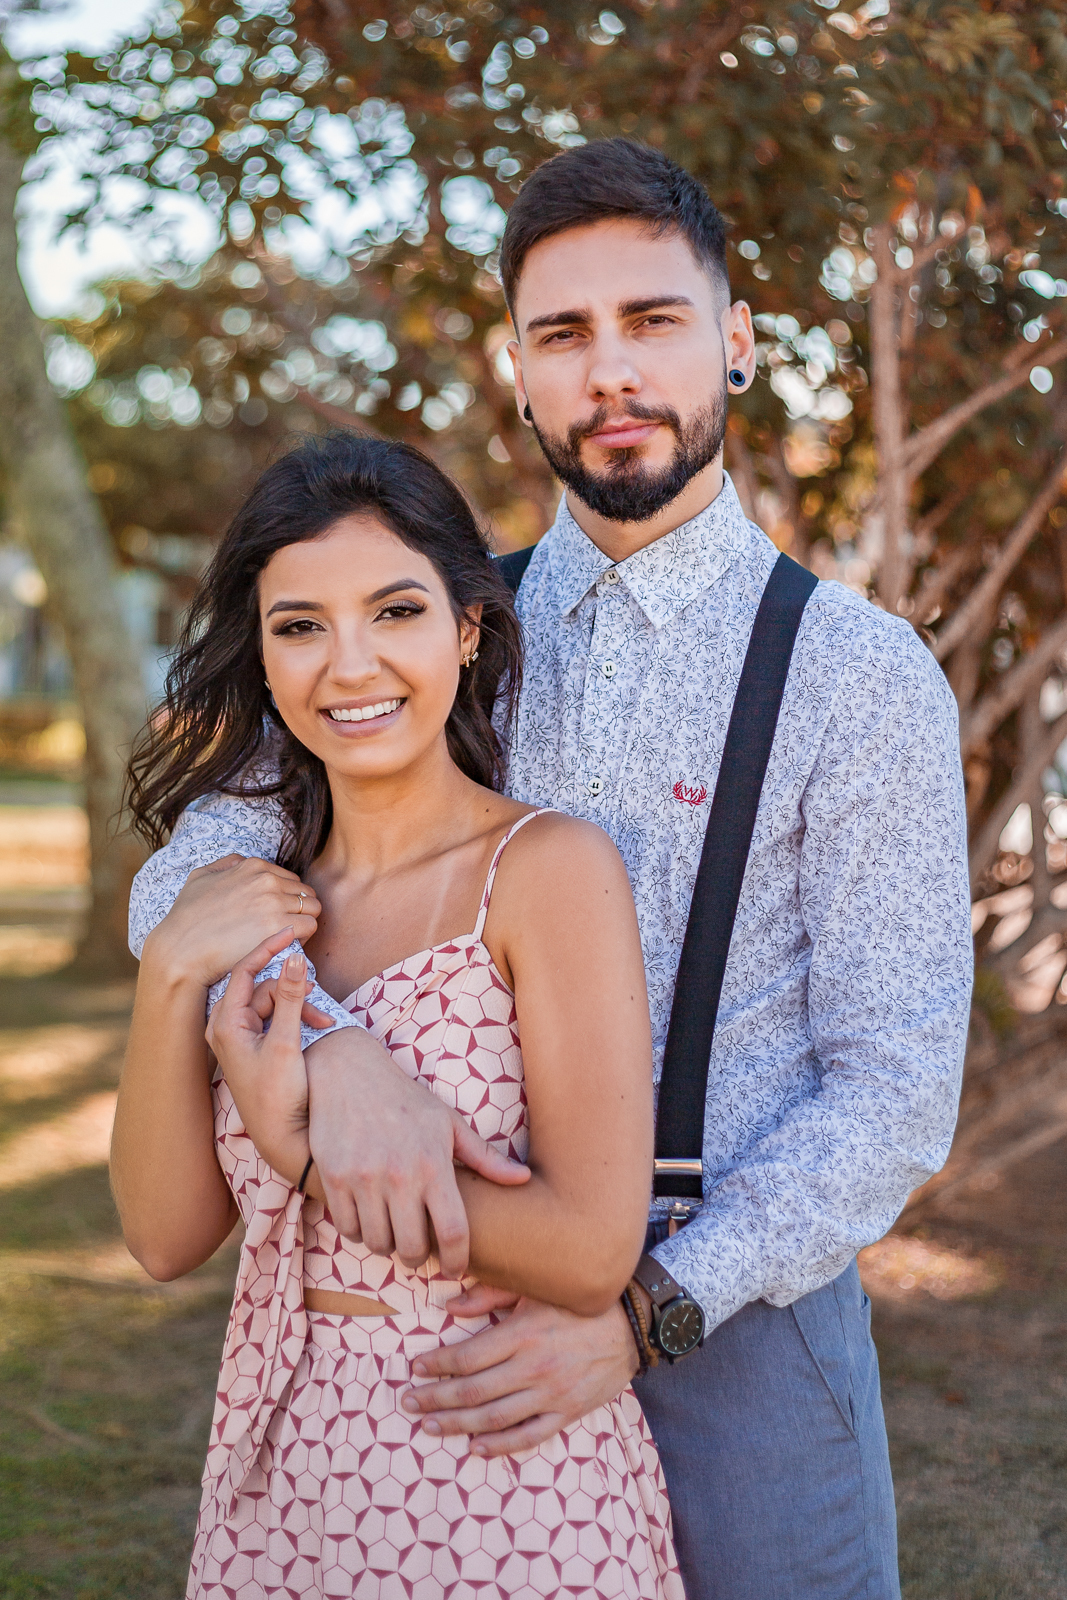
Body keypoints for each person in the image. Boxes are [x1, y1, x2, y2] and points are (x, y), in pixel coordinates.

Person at [128, 139, 974, 1599]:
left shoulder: (856, 674)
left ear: (735, 340)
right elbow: (195, 873)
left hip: (739, 1322)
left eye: (652, 320)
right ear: (517, 371)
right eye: (563, 334)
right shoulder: (431, 628)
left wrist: (642, 1310)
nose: (610, 372)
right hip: (440, 1291)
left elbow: (892, 1087)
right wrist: (326, 1052)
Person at [112, 434, 684, 1599]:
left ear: (466, 629)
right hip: (284, 1476)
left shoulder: (545, 870)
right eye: (300, 625)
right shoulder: (251, 903)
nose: (349, 664)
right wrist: (170, 972)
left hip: (500, 1477)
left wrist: (304, 1155)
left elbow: (589, 1252)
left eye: (395, 611)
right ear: (261, 654)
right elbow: (166, 1240)